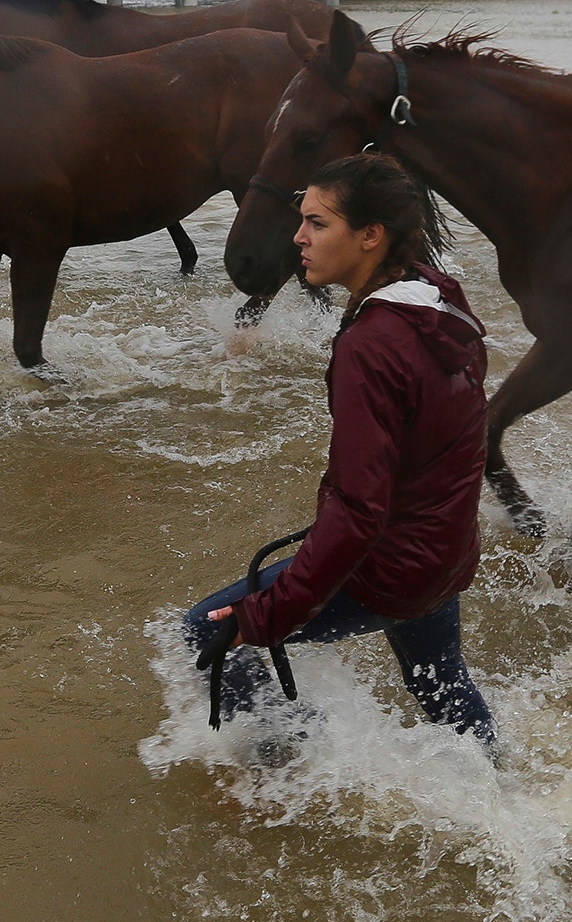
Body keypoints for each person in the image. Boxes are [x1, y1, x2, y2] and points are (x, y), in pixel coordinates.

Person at [185, 153, 497, 747]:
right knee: (442, 686)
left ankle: (287, 781)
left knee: (206, 629)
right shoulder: (439, 301)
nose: (298, 237)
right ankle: (505, 794)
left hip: (393, 564)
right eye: (301, 220)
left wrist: (268, 616)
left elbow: (359, 511)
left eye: (318, 224)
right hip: (444, 551)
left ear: (370, 235)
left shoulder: (371, 347)